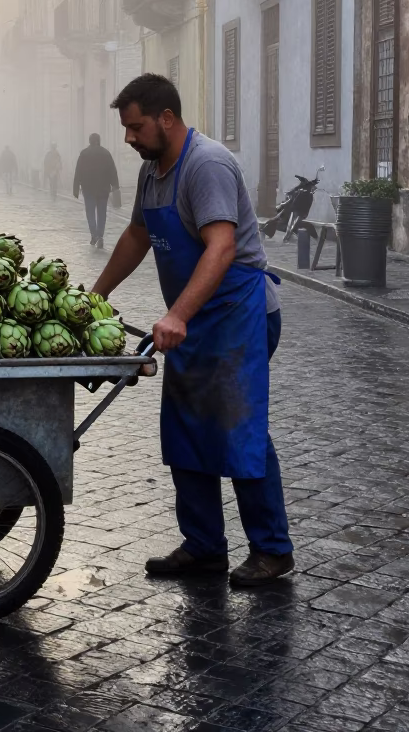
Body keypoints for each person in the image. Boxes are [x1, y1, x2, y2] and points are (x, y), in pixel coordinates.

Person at [91, 74, 293, 587]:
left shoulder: (207, 165)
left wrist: (177, 314)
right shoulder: (153, 172)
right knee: (185, 427)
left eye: (136, 126)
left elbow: (221, 248)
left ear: (166, 119)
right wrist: (96, 296)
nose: (129, 137)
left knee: (237, 427)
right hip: (191, 318)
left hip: (238, 314)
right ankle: (204, 546)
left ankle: (272, 549)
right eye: (125, 128)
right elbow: (138, 234)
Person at [73, 133, 118, 249]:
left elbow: (78, 171)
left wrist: (76, 188)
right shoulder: (106, 153)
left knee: (90, 212)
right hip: (103, 189)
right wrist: (115, 185)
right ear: (99, 140)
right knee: (102, 213)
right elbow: (112, 170)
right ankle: (100, 235)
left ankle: (94, 235)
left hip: (88, 189)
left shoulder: (84, 154)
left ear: (90, 141)